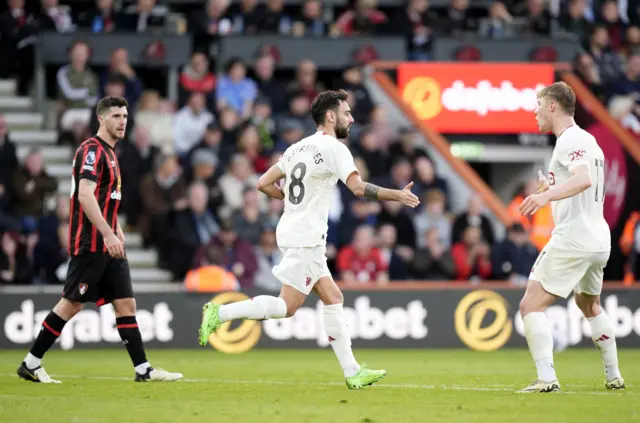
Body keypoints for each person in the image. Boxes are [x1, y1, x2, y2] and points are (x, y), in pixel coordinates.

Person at [198, 89, 420, 389]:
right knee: (286, 307)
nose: (352, 118)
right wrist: (397, 195)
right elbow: (356, 187)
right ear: (330, 116)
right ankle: (221, 311)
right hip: (306, 237)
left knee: (333, 297)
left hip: (293, 231)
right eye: (346, 113)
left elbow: (263, 183)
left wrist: (290, 199)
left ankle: (352, 370)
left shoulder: (296, 148)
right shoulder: (335, 149)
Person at [17, 96, 182, 384]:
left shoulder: (111, 154)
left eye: (126, 116)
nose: (122, 121)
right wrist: (106, 232)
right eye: (116, 116)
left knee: (126, 304)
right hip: (92, 243)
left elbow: (105, 200)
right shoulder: (91, 151)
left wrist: (115, 227)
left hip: (108, 242)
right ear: (101, 119)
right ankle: (31, 363)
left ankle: (143, 369)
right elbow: (85, 195)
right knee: (71, 304)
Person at [517, 82, 623, 393]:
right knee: (589, 305)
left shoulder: (570, 139)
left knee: (530, 306)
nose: (535, 112)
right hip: (598, 239)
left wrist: (546, 196)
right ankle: (614, 376)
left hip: (574, 237)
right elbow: (578, 182)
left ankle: (547, 379)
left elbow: (583, 179)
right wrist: (549, 188)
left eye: (539, 105)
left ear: (553, 106)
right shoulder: (588, 140)